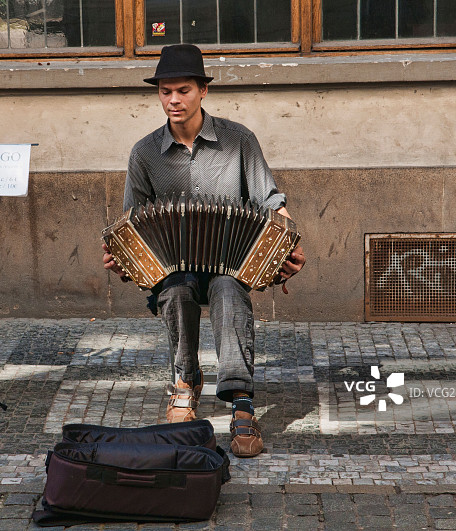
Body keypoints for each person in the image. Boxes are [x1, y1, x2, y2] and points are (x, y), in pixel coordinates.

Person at [102, 44, 306, 458]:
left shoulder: (239, 140)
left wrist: (290, 241)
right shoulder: (144, 153)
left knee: (230, 290)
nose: (173, 100)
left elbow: (270, 200)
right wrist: (121, 254)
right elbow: (133, 221)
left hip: (230, 263)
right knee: (175, 288)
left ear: (203, 92)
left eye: (183, 90)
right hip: (175, 268)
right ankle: (185, 380)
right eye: (165, 92)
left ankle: (241, 401)